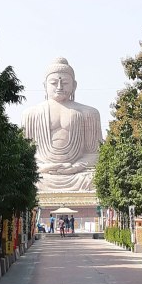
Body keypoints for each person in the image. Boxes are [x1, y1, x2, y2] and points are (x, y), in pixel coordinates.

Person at [21, 57, 102, 192]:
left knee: (93, 178)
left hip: (78, 175)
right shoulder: (31, 114)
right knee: (30, 180)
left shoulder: (89, 113)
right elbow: (25, 156)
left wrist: (76, 167)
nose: (59, 87)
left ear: (74, 85)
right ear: (44, 86)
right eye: (53, 83)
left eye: (65, 82)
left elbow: (96, 155)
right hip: (44, 174)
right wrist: (44, 167)